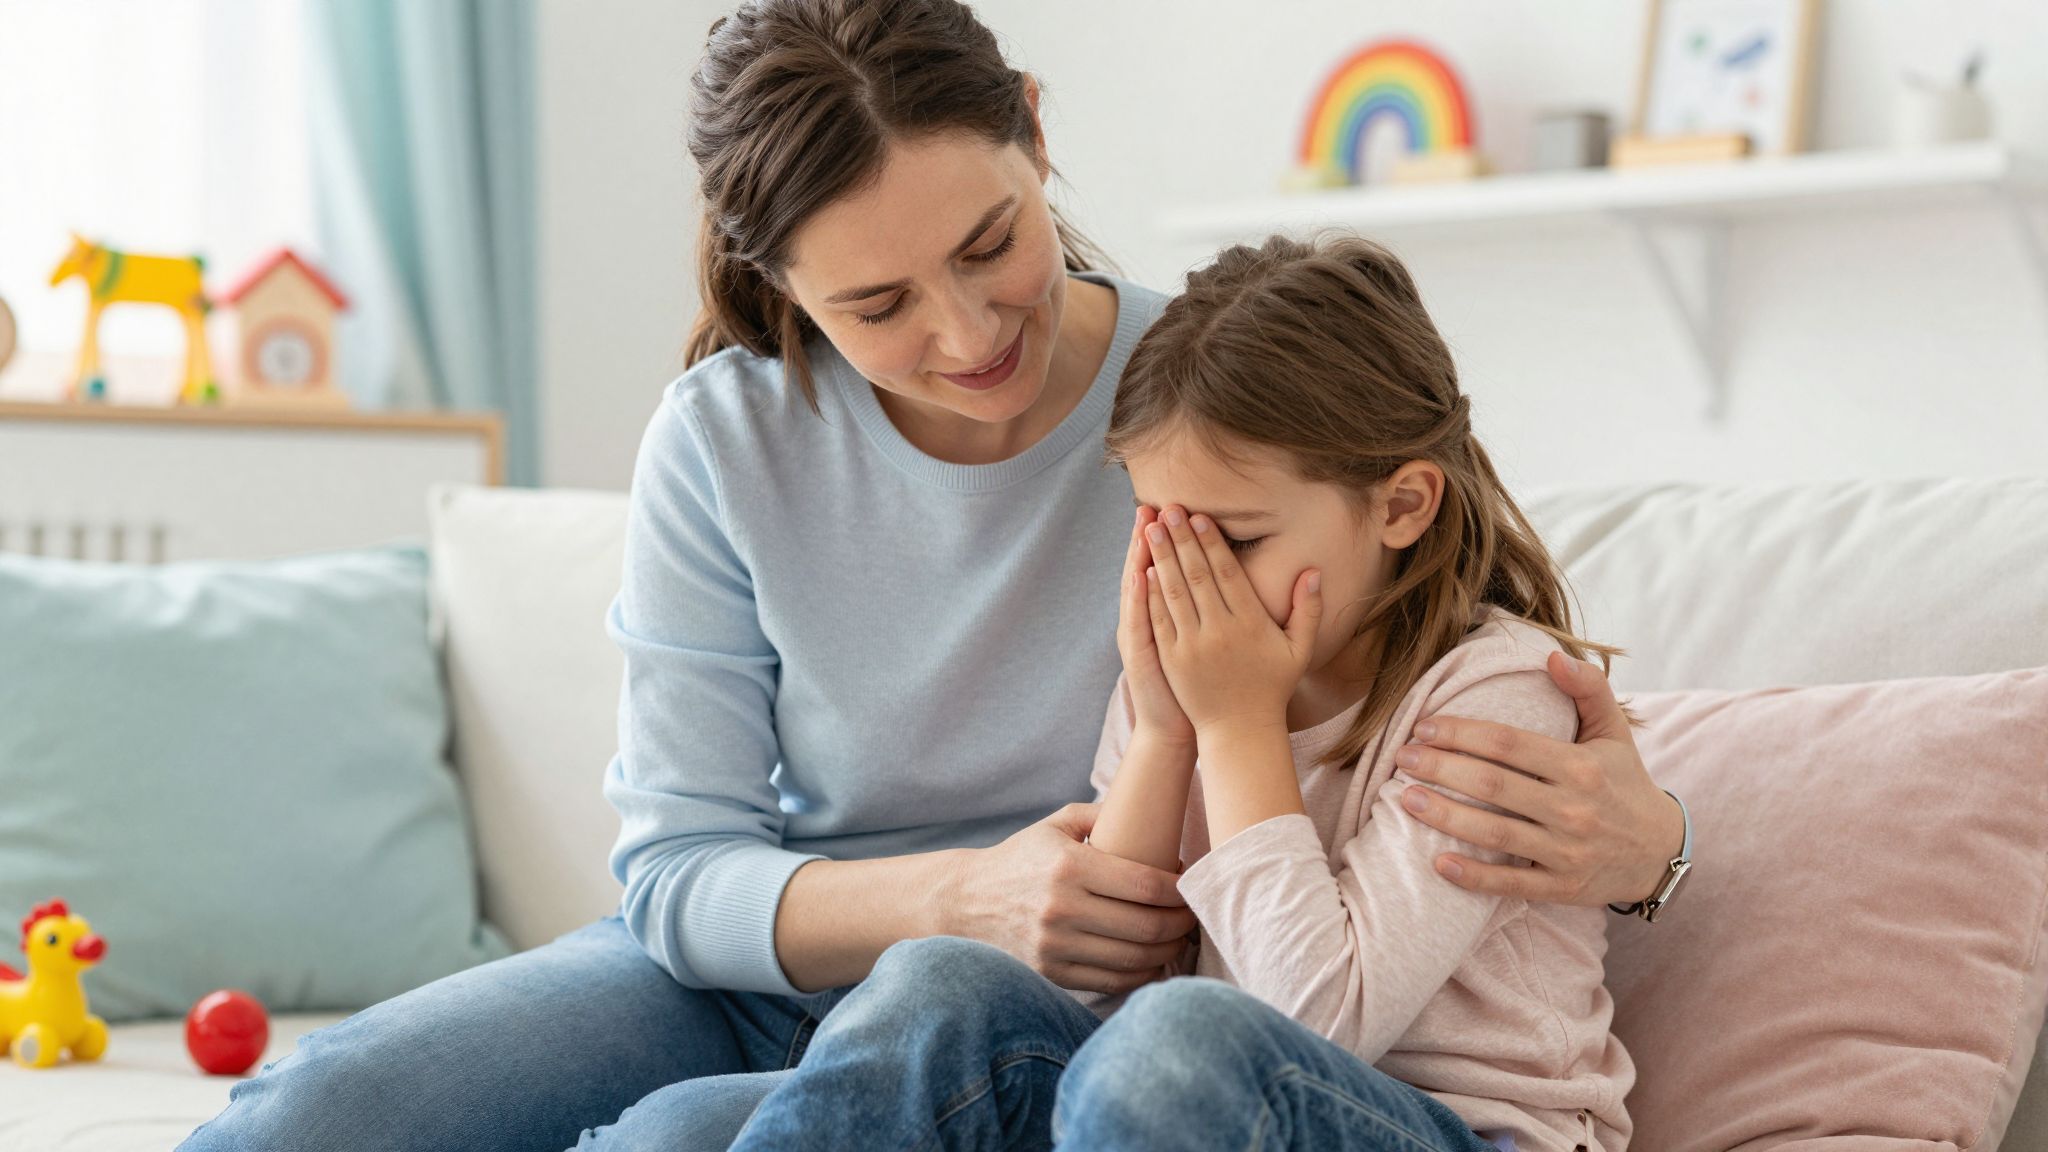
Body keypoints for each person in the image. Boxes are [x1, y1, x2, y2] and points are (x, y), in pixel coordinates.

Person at [178, 4, 1682, 1150]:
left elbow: (1433, 602)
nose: (968, 335)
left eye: (990, 244)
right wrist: (955, 894)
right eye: (880, 303)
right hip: (802, 966)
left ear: (1033, 130)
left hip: (1064, 1017)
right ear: (783, 287)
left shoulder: (1202, 408)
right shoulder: (727, 437)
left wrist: (1655, 843)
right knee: (329, 1108)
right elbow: (673, 873)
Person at [728, 233, 1635, 1152]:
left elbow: (1311, 1020)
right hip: (1185, 1108)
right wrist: (1164, 736)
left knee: (1175, 1042)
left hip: (1468, 1133)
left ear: (1402, 506)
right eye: (1163, 535)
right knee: (941, 986)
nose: (1189, 585)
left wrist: (1235, 726)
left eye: (1232, 542)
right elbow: (1085, 996)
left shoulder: (1495, 693)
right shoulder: (1184, 688)